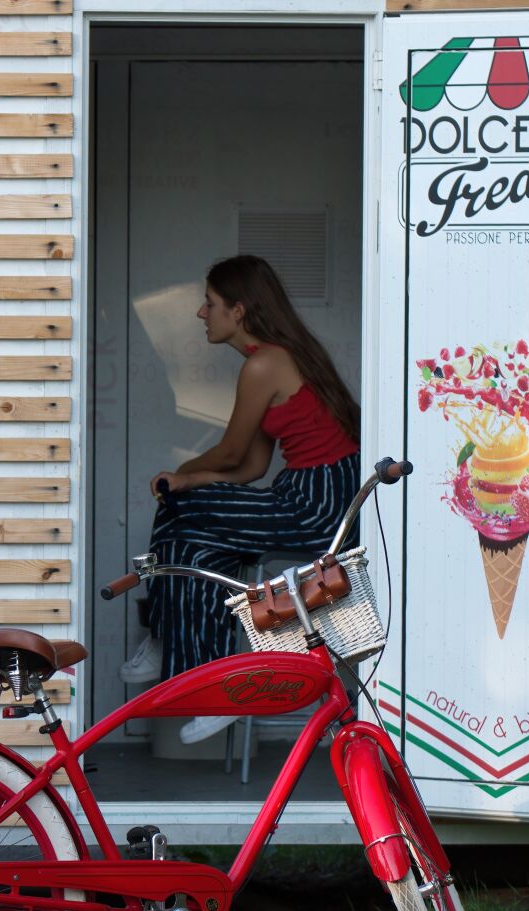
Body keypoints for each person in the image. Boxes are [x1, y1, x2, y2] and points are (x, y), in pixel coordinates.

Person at [120, 254, 361, 686]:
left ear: (238, 311)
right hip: (314, 495)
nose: (200, 313)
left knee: (181, 508)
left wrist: (182, 475)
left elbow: (230, 454)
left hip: (318, 505)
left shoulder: (263, 364)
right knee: (195, 549)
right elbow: (253, 466)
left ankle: (167, 641)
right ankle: (210, 677)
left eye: (209, 303)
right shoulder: (278, 357)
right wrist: (190, 480)